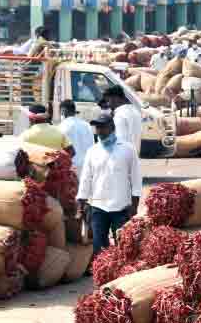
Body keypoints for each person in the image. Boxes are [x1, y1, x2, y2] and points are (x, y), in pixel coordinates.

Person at [76, 112, 141, 256]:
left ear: (112, 127)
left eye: (102, 127)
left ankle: (122, 275)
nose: (99, 131)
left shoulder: (127, 149)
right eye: (97, 127)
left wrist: (135, 205)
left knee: (123, 245)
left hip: (122, 206)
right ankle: (104, 276)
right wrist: (81, 204)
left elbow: (136, 177)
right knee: (99, 247)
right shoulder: (92, 151)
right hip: (98, 206)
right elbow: (86, 178)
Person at [57, 100, 93, 172]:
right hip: (86, 165)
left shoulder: (61, 127)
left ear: (63, 111)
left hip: (70, 167)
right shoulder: (86, 125)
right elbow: (92, 144)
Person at [103, 86, 143, 151]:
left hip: (123, 155)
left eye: (108, 101)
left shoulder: (120, 115)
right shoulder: (135, 111)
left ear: (115, 98)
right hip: (134, 154)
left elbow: (120, 140)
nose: (108, 104)